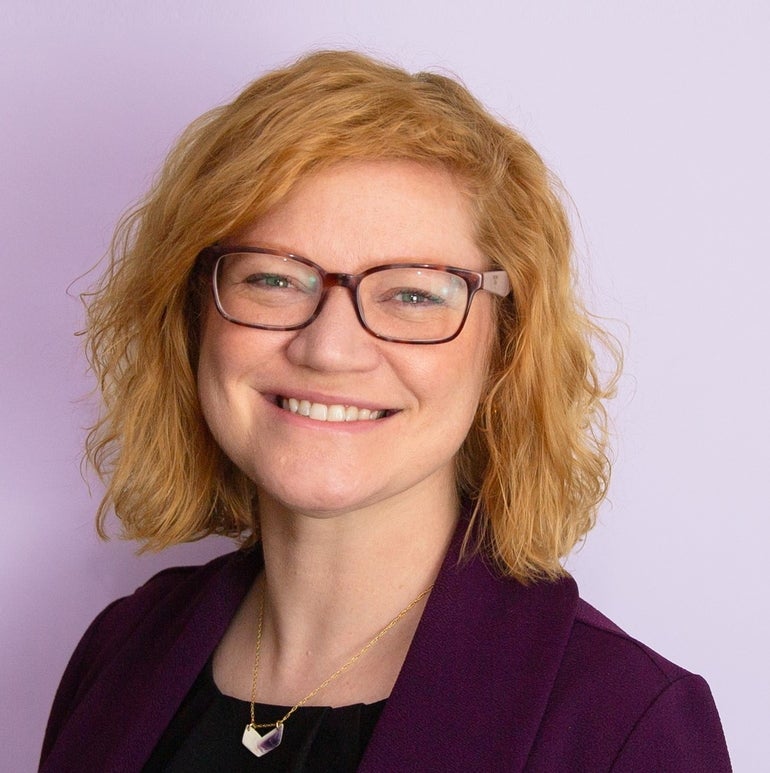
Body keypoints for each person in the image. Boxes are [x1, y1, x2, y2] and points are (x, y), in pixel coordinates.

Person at [39, 50, 731, 771]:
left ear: (505, 349)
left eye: (412, 293)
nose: (330, 348)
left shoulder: (624, 722)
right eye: (273, 278)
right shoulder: (118, 651)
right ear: (192, 318)